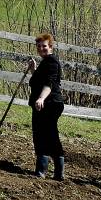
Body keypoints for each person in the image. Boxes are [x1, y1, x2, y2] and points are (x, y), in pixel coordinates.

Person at [27, 32, 65, 180]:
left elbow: (49, 83)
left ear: (50, 47)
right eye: (38, 46)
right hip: (46, 104)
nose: (41, 49)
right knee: (49, 135)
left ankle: (42, 170)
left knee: (43, 134)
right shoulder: (46, 62)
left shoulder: (51, 62)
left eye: (44, 46)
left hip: (49, 104)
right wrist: (33, 70)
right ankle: (57, 172)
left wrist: (41, 98)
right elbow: (39, 82)